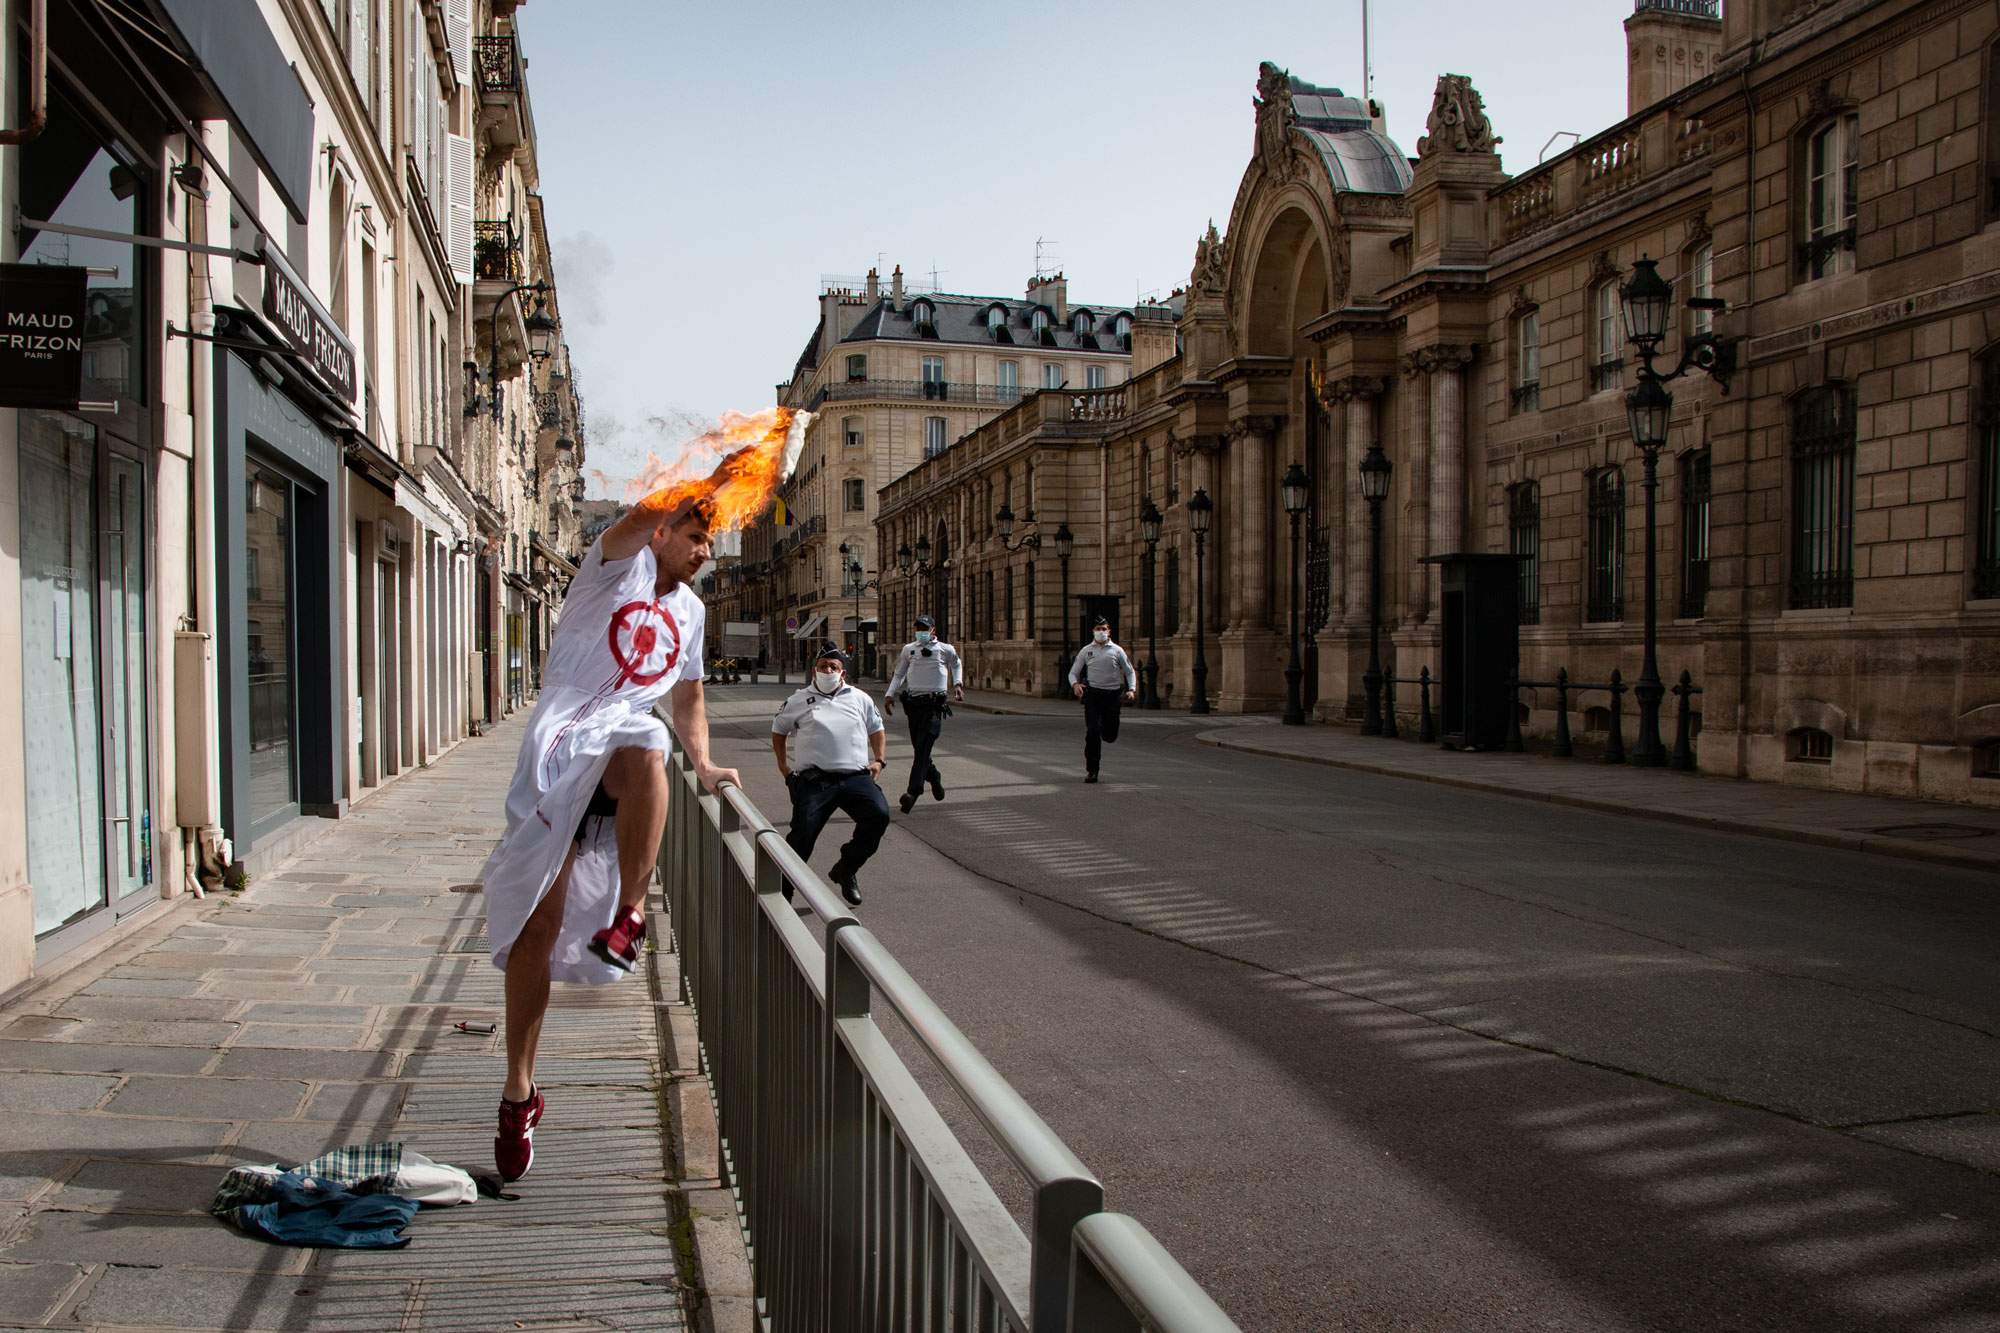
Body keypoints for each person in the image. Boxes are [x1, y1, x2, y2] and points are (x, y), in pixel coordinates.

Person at [479, 490, 740, 1182]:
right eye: (695, 533)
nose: (705, 549)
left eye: (710, 541)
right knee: (539, 928)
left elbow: (688, 700)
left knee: (647, 739)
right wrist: (689, 478)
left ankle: (631, 911)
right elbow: (629, 523)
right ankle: (518, 1092)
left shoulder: (692, 611)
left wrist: (707, 764)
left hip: (621, 752)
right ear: (662, 530)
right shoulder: (610, 568)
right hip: (561, 747)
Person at [771, 643, 890, 906]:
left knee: (879, 815)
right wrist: (783, 767)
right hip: (816, 781)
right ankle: (783, 893)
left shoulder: (860, 698)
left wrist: (879, 761)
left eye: (833, 667)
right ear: (814, 671)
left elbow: (876, 728)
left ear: (842, 673)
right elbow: (779, 730)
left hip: (855, 777)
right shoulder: (798, 700)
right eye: (823, 666)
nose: (828, 670)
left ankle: (846, 868)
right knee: (802, 836)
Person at [883, 614, 964, 814]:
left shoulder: (945, 650)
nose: (922, 632)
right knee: (920, 749)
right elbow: (899, 674)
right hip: (914, 706)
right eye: (918, 628)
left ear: (933, 630)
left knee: (923, 745)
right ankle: (934, 777)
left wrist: (958, 684)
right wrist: (889, 694)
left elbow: (956, 664)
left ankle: (913, 791)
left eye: (925, 628)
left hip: (934, 706)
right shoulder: (908, 650)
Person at [1069, 615, 1136, 783]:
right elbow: (1073, 672)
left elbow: (1129, 671)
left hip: (1112, 697)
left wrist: (1132, 689)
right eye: (1098, 629)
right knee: (1093, 731)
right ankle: (1092, 769)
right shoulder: (1086, 651)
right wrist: (1075, 684)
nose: (1101, 632)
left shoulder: (1117, 650)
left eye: (1103, 629)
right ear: (1093, 631)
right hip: (1093, 696)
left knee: (1110, 735)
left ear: (1109, 631)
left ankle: (1107, 732)